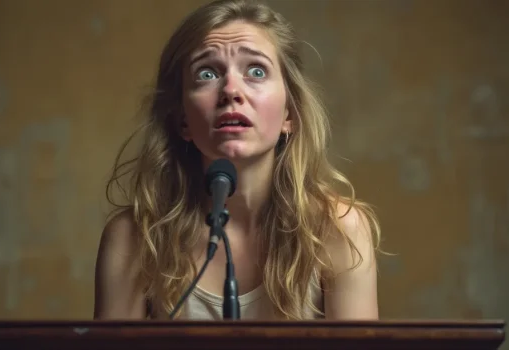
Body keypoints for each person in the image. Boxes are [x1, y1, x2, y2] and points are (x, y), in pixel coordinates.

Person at [94, 0, 382, 321]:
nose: (231, 90)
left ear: (290, 113)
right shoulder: (134, 238)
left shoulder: (337, 230)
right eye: (207, 73)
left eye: (256, 71)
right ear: (182, 121)